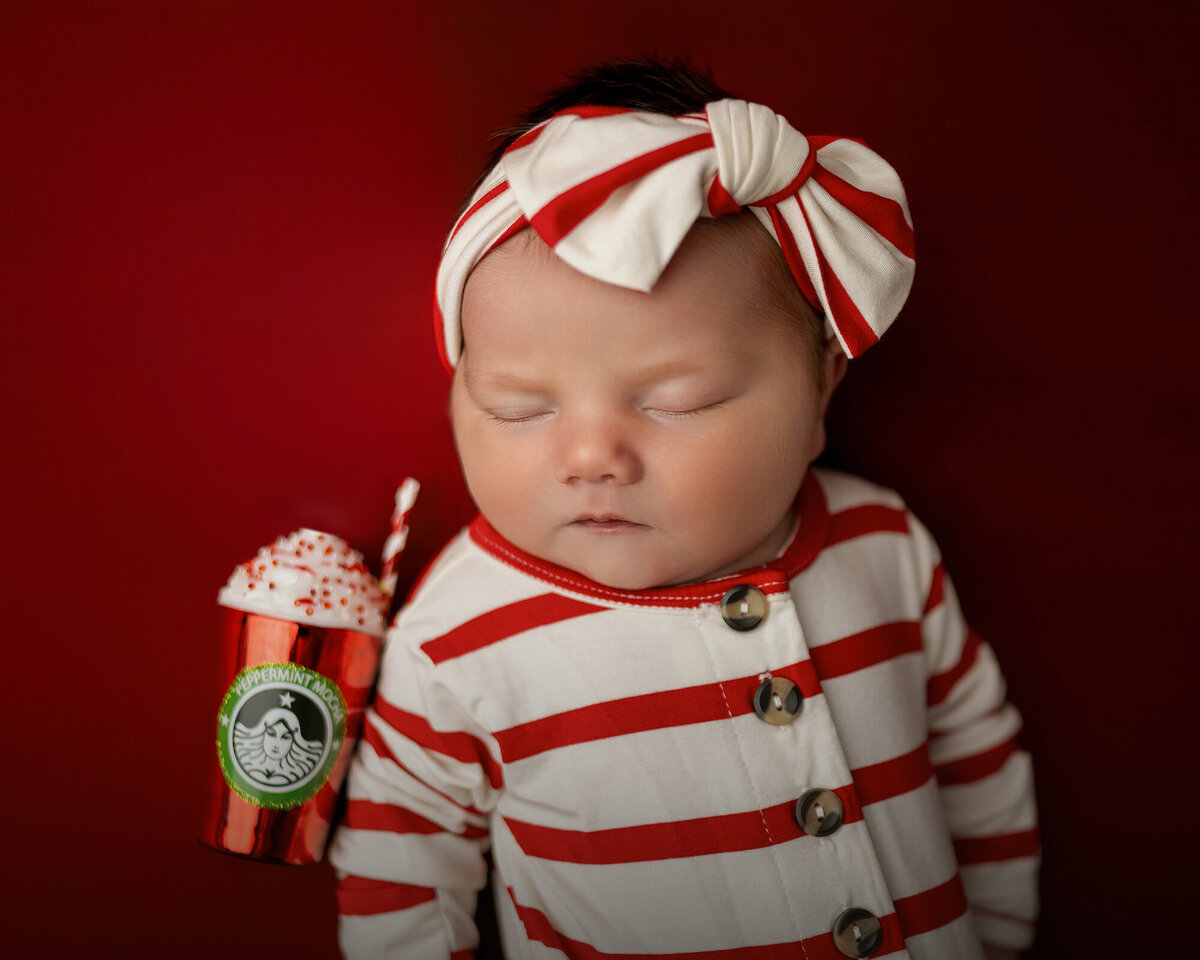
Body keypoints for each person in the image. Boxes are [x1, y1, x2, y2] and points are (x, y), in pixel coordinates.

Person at [328, 60, 1039, 960]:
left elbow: (975, 753)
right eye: (519, 407)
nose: (590, 458)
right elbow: (403, 873)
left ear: (821, 391)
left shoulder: (884, 547)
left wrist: (1000, 929)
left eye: (681, 399)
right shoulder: (460, 636)